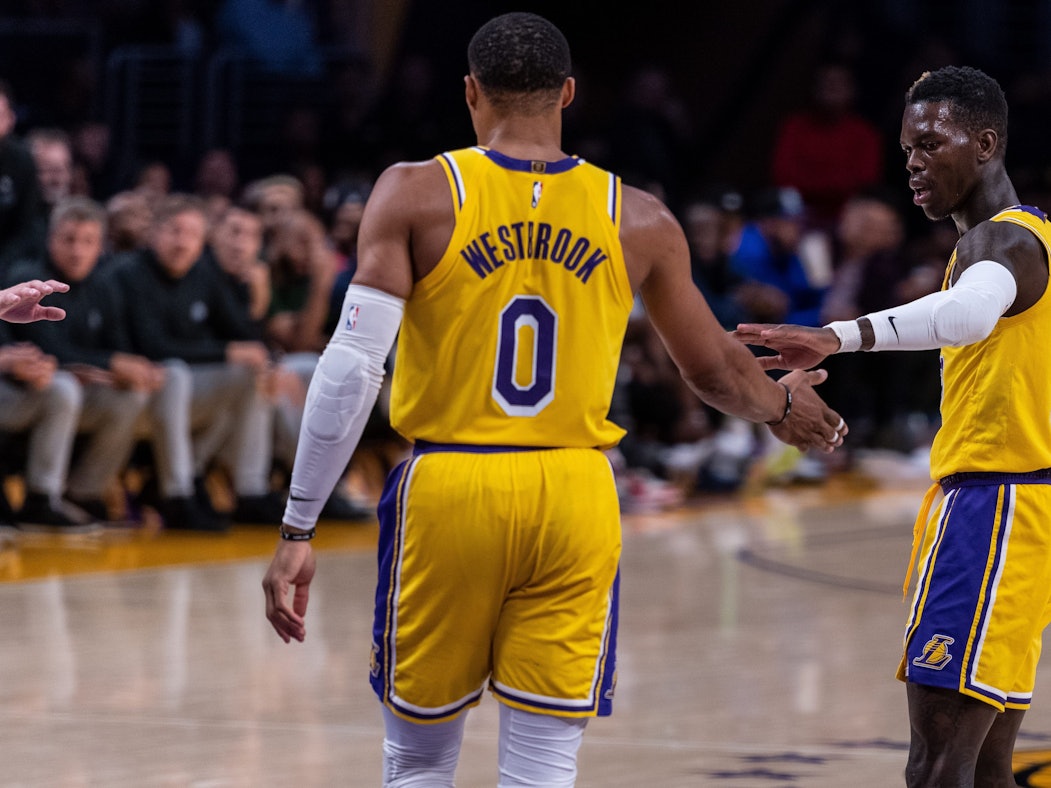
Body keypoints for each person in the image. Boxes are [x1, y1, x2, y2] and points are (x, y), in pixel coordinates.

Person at [262, 13, 845, 786]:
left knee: (418, 761)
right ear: (568, 93)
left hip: (450, 487)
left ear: (469, 93)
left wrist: (299, 523)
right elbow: (714, 374)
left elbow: (350, 366)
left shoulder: (415, 192)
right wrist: (783, 410)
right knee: (543, 764)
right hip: (574, 491)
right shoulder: (638, 216)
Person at [733, 65, 1049, 786]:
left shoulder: (1000, 245)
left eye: (932, 141)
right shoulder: (1023, 241)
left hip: (991, 509)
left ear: (985, 143)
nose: (912, 158)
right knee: (983, 769)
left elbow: (964, 319)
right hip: (1012, 508)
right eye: (906, 145)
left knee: (936, 769)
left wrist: (835, 336)